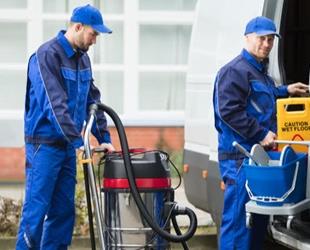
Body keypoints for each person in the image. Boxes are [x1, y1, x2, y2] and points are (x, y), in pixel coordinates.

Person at [16, 4, 115, 249]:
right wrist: (78, 142)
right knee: (36, 212)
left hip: (68, 148)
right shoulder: (46, 56)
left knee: (63, 213)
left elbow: (93, 101)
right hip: (45, 147)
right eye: (93, 34)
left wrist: (104, 137)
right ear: (78, 27)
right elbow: (54, 105)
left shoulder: (83, 60)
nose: (95, 40)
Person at [213, 16, 308, 250]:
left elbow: (259, 100)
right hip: (240, 161)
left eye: (270, 39)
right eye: (261, 38)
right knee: (238, 226)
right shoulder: (234, 71)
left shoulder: (260, 73)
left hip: (259, 161)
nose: (266, 44)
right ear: (247, 38)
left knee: (256, 224)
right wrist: (260, 134)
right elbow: (228, 111)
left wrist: (286, 90)